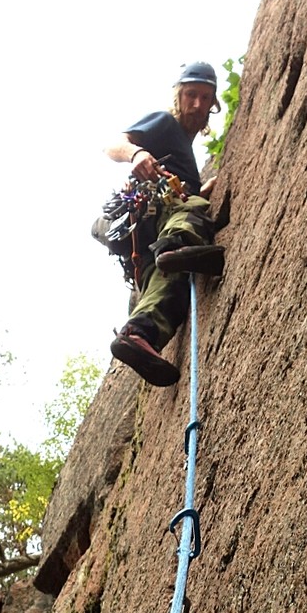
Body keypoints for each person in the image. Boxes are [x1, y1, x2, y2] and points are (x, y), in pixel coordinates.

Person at [104, 62, 225, 386]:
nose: (197, 104)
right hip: (151, 213)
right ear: (178, 96)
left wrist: (199, 187)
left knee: (171, 283)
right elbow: (113, 144)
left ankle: (137, 335)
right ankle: (178, 245)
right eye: (191, 94)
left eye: (205, 97)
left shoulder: (184, 150)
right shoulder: (165, 123)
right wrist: (136, 154)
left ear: (212, 105)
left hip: (147, 243)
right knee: (193, 208)